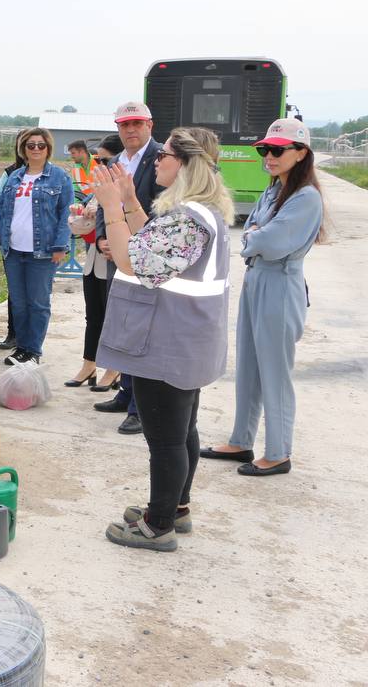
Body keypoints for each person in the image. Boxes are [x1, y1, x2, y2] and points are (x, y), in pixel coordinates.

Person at [92, 127, 234, 551]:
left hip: (168, 343)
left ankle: (158, 526)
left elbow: (132, 260)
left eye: (165, 155)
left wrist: (112, 209)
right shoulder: (198, 212)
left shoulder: (189, 219)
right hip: (187, 341)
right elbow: (153, 240)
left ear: (186, 165)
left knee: (166, 441)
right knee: (183, 429)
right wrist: (132, 203)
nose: (157, 160)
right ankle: (176, 508)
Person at [201, 118, 326, 476]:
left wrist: (255, 236)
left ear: (301, 154)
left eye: (277, 150)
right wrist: (256, 236)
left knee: (275, 372)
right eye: (264, 149)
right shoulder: (274, 191)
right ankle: (242, 440)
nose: (268, 156)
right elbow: (253, 233)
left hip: (280, 284)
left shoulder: (306, 197)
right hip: (257, 280)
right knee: (250, 367)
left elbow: (266, 242)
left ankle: (279, 451)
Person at [93, 102, 164, 434]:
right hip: (116, 254)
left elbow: (159, 209)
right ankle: (125, 392)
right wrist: (103, 238)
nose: (130, 130)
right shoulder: (114, 162)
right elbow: (102, 203)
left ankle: (141, 407)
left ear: (150, 124)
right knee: (120, 323)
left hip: (145, 258)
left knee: (142, 331)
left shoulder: (163, 159)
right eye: (124, 125)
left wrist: (133, 242)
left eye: (136, 123)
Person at [0, 129, 72, 365]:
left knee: (38, 302)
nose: (35, 149)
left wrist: (61, 244)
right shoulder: (14, 178)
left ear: (48, 149)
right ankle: (21, 347)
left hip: (42, 252)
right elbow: (1, 211)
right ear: (23, 149)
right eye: (30, 145)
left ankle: (33, 351)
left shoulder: (59, 178)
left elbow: (66, 214)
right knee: (19, 303)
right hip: (13, 251)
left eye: (40, 145)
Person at [68, 135, 123, 390]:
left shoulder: (124, 188)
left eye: (104, 159)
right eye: (97, 159)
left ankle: (115, 369)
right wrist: (82, 212)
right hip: (93, 257)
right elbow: (89, 218)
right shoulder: (98, 186)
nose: (98, 163)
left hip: (114, 259)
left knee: (113, 316)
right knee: (93, 315)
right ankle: (89, 364)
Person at [0, 130, 30, 351]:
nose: (31, 149)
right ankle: (13, 333)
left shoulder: (51, 174)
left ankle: (31, 340)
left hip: (38, 247)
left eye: (37, 145)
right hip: (13, 244)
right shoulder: (10, 174)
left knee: (35, 296)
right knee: (15, 292)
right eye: (25, 144)